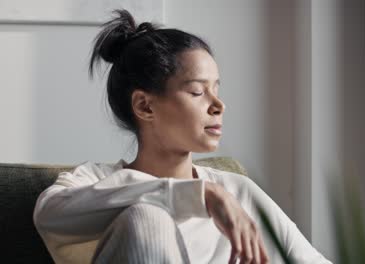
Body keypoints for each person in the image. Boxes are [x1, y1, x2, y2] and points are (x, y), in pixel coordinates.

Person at [33, 9, 332, 264]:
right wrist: (197, 195)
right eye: (198, 92)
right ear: (145, 105)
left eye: (217, 89)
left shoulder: (237, 191)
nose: (218, 105)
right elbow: (49, 216)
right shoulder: (93, 181)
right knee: (146, 219)